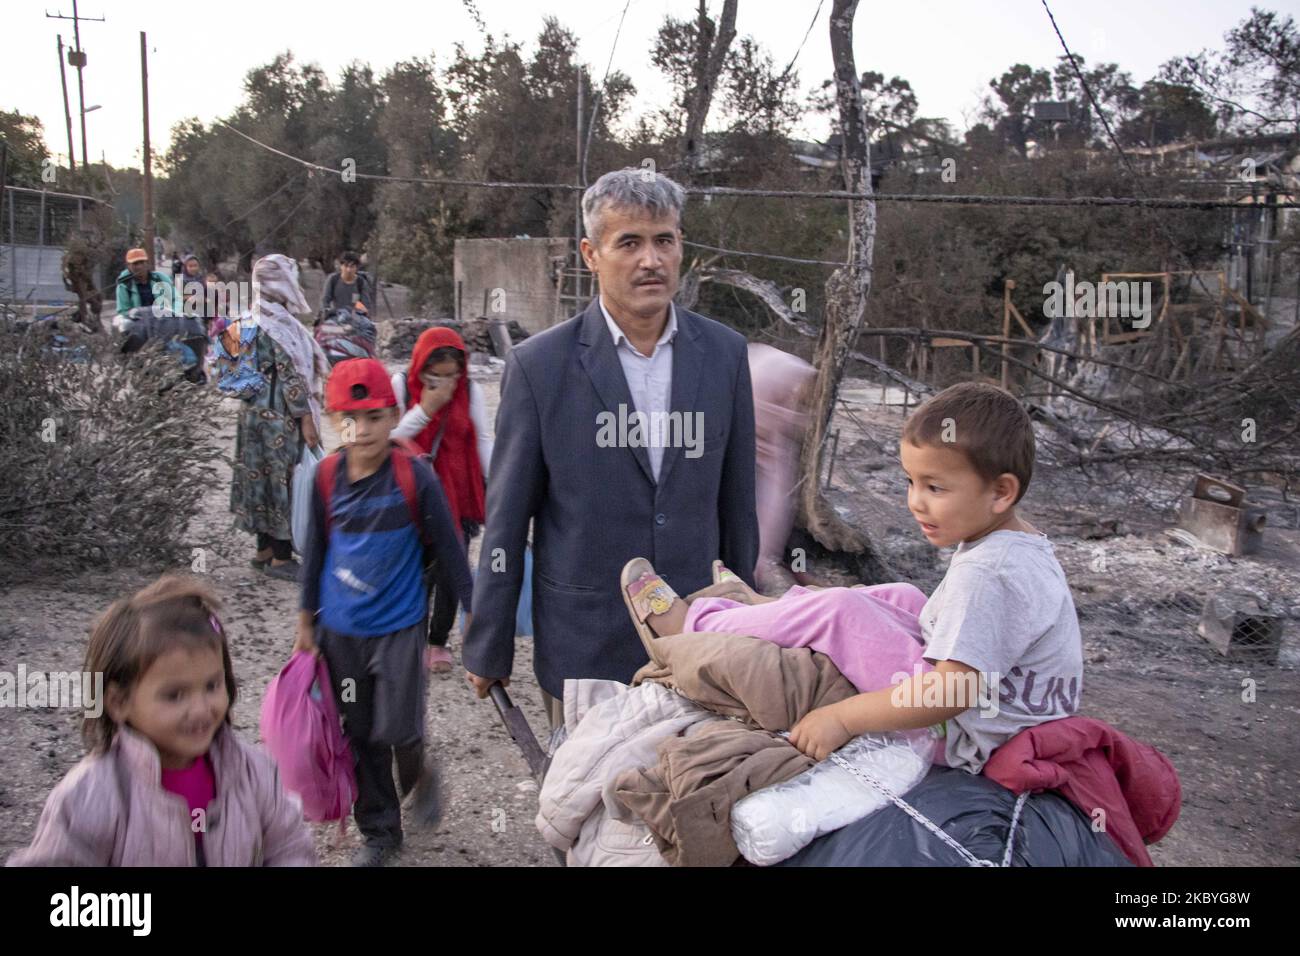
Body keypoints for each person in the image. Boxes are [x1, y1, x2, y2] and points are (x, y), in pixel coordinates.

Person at [623, 381, 1084, 774]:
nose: (915, 502)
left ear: (1001, 491)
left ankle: (693, 626)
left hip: (963, 734)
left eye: (935, 487)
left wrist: (843, 718)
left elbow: (951, 692)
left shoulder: (988, 573)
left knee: (843, 612)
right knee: (903, 595)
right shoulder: (1020, 549)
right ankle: (762, 609)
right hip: (997, 714)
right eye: (911, 482)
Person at [461, 167, 760, 731]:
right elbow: (505, 521)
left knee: (690, 800)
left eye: (664, 240)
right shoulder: (540, 367)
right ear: (590, 253)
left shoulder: (723, 355)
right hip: (586, 643)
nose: (651, 259)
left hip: (697, 641)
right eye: (629, 242)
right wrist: (489, 643)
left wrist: (747, 620)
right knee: (585, 806)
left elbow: (737, 504)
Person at [294, 358, 475, 866]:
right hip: (341, 634)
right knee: (359, 732)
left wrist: (478, 617)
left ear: (394, 415)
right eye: (351, 418)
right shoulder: (326, 477)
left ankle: (419, 773)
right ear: (333, 420)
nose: (364, 429)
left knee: (400, 729)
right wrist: (306, 621)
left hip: (398, 629)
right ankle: (379, 832)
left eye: (376, 416)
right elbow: (317, 553)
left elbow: (453, 553)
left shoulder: (414, 477)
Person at [7, 575, 316, 866]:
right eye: (174, 695)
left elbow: (288, 846)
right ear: (118, 702)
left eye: (212, 685)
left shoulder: (254, 771)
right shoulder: (91, 796)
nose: (200, 709)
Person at [391, 327, 492, 673]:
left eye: (453, 376)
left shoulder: (472, 391)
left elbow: (482, 439)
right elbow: (385, 439)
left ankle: (437, 641)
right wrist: (425, 409)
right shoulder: (400, 386)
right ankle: (410, 637)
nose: (447, 385)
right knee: (415, 571)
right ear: (420, 368)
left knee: (452, 570)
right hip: (412, 497)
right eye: (436, 376)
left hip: (458, 496)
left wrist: (496, 489)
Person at [225, 254, 330, 579]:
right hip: (279, 419)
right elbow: (292, 378)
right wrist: (307, 419)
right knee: (283, 481)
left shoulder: (243, 320)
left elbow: (228, 377)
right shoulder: (279, 326)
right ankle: (282, 560)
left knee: (259, 481)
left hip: (251, 419)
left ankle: (263, 551)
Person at [113, 247, 178, 326]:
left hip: (164, 323)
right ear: (128, 266)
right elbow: (123, 311)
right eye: (135, 263)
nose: (139, 266)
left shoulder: (161, 278)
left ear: (147, 263)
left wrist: (172, 314)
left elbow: (175, 299)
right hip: (138, 326)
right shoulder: (124, 285)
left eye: (142, 262)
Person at [320, 250, 375, 317]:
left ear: (356, 267)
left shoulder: (361, 282)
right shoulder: (333, 279)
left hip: (356, 318)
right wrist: (326, 312)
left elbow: (366, 305)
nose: (349, 270)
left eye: (352, 266)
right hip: (336, 316)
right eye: (346, 266)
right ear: (341, 266)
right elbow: (325, 300)